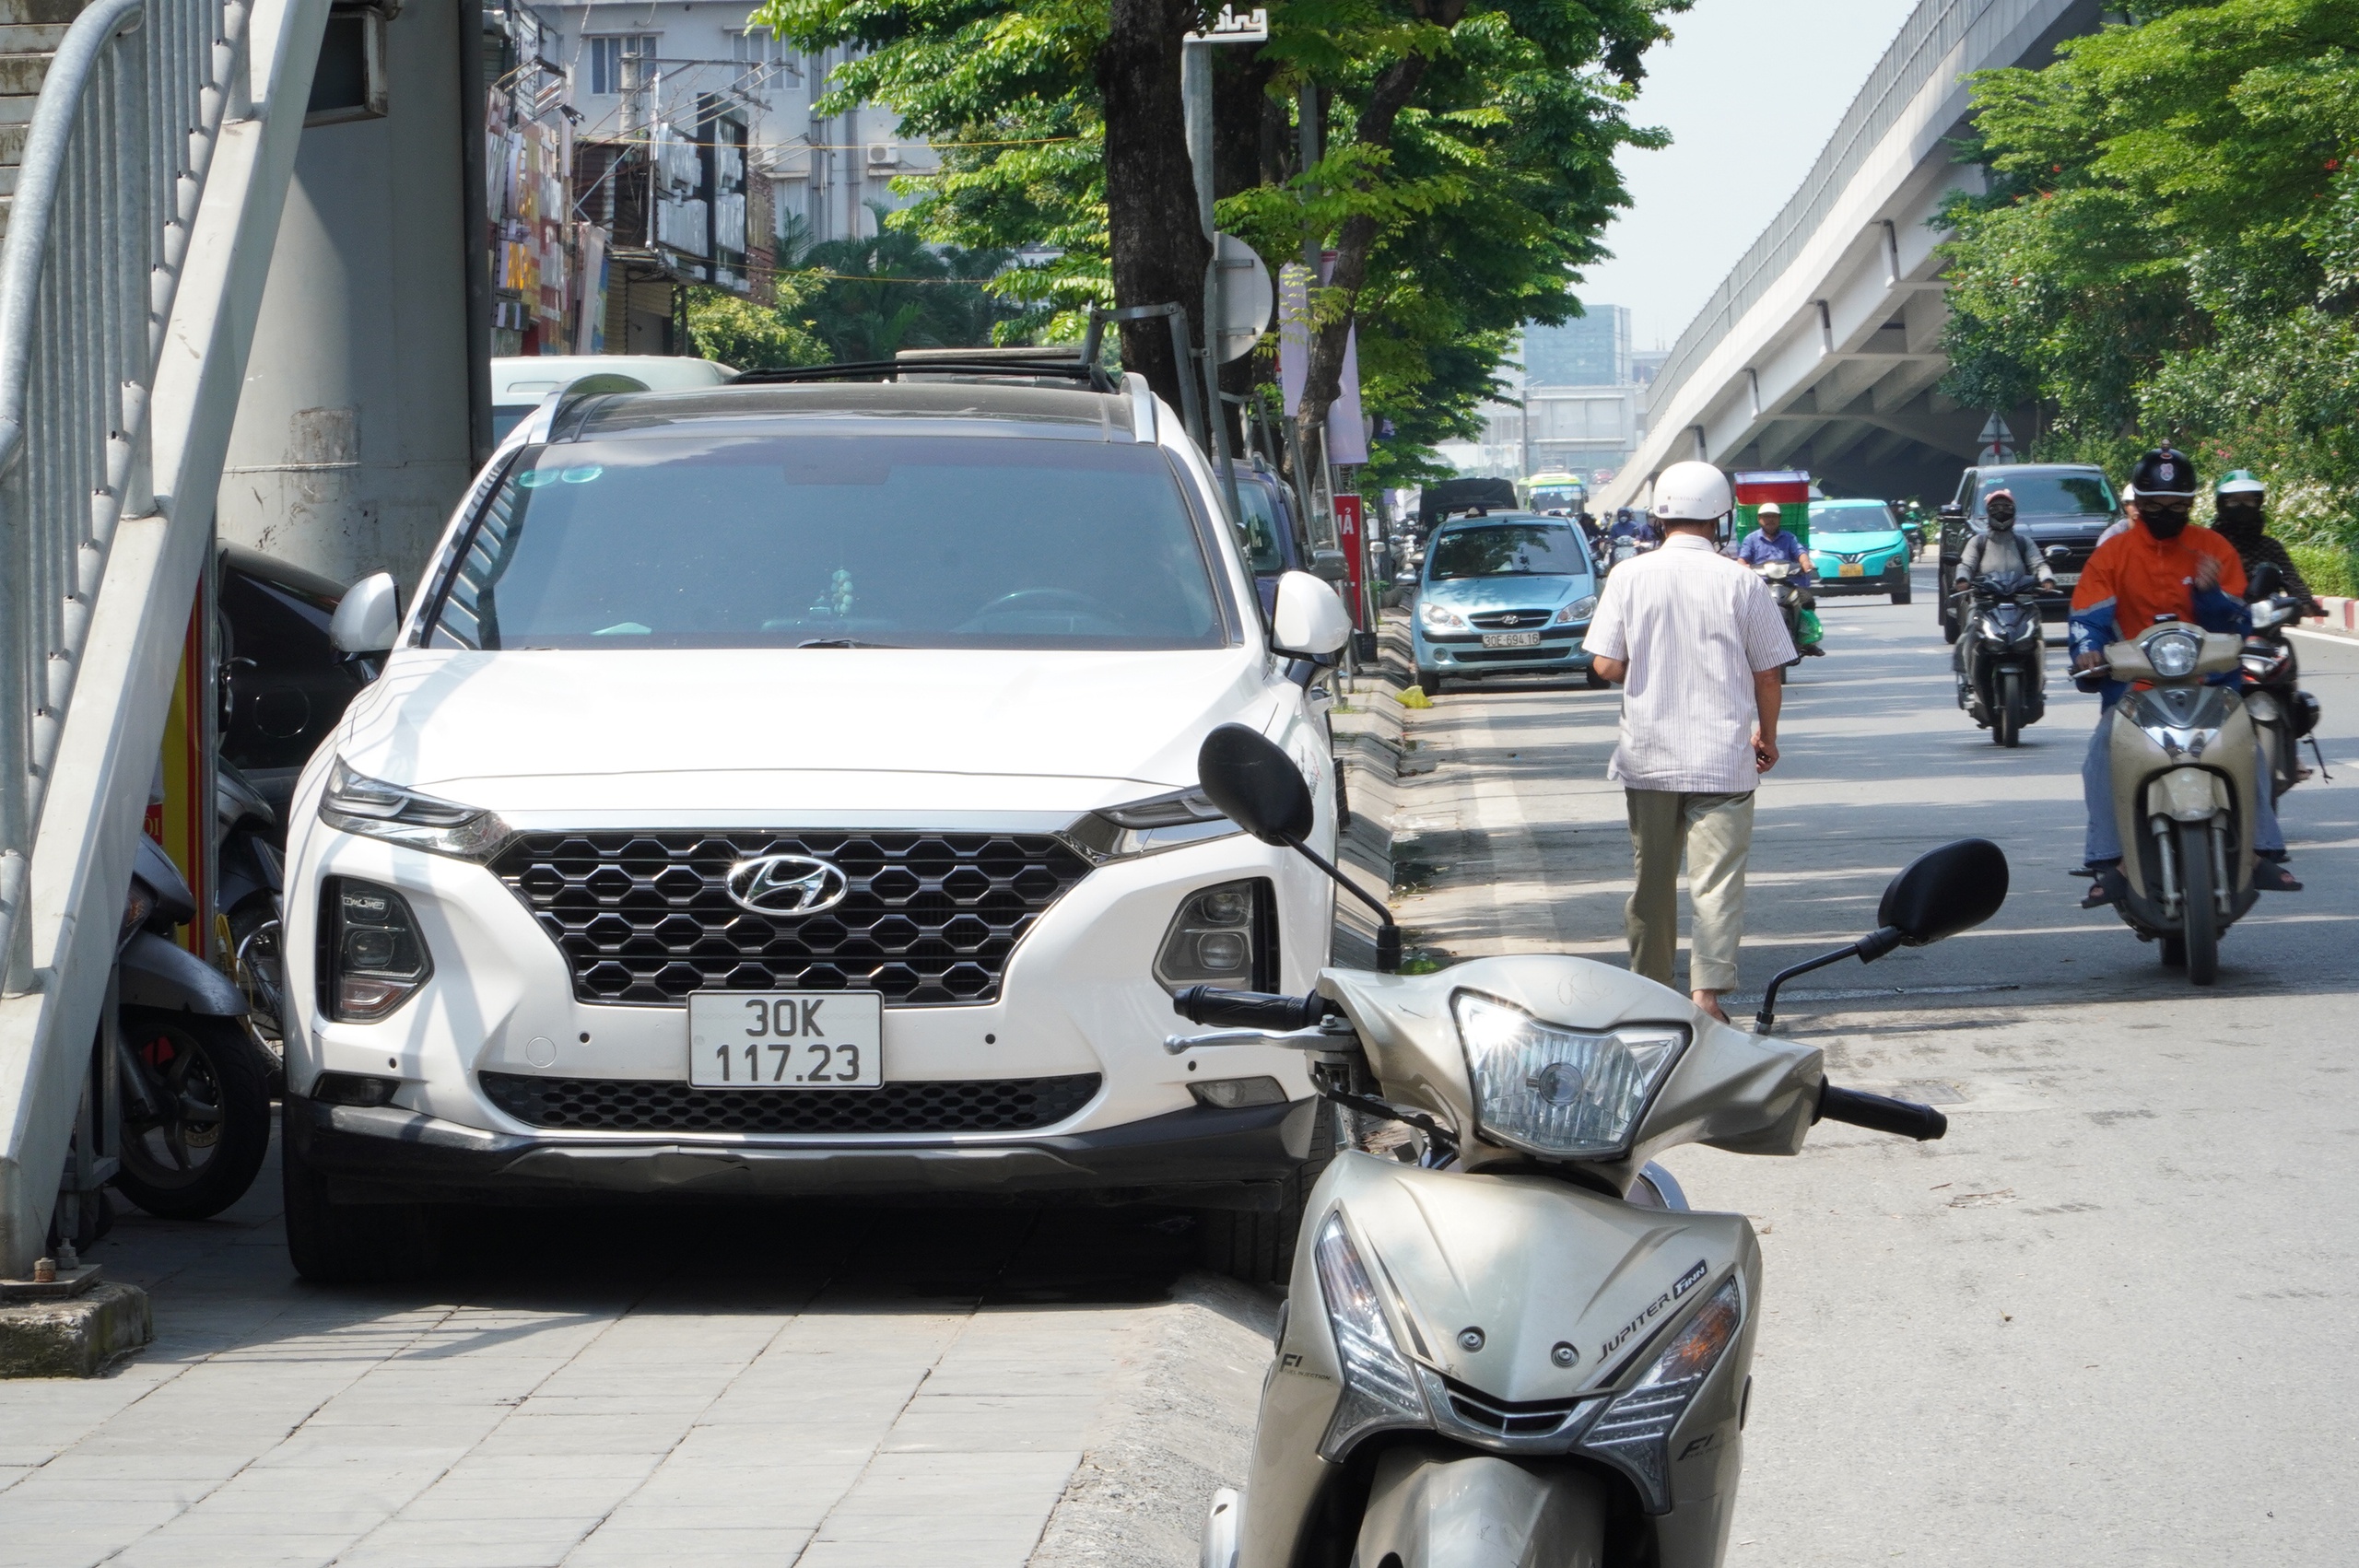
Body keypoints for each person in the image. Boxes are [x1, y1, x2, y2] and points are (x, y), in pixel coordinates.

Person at [1586, 461, 1796, 1023]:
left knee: (1652, 881)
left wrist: (1649, 660)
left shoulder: (1628, 576)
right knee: (1717, 883)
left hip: (1649, 757)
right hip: (1723, 758)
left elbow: (1606, 665)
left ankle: (1652, 995)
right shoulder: (1742, 581)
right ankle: (1707, 997)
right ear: (1720, 517)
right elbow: (1769, 674)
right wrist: (1768, 736)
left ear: (1659, 517)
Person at [2070, 448, 2301, 905]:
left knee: (2249, 748)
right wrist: (2086, 653)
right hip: (2134, 690)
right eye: (2154, 505)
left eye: (2177, 506)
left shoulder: (2214, 550)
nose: (2165, 513)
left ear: (2192, 504)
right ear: (2138, 503)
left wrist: (2209, 594)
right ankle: (2109, 859)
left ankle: (2259, 851)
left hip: (2210, 686)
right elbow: (2087, 618)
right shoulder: (2112, 555)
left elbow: (2239, 622)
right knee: (2100, 753)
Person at [2211, 471, 2323, 613]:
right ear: (2222, 504)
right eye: (2234, 501)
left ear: (2258, 502)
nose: (2242, 506)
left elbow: (2291, 578)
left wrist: (2305, 602)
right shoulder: (2209, 543)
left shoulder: (2270, 546)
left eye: (2248, 499)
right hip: (2214, 617)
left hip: (2262, 618)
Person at [1732, 502, 1823, 655]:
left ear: (1779, 519)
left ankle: (1807, 640)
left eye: (1773, 517)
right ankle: (1745, 641)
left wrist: (1805, 563)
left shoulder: (1789, 537)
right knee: (1742, 606)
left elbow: (1800, 552)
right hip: (1760, 584)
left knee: (1807, 600)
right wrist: (1742, 566)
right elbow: (1742, 559)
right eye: (1766, 517)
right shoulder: (1751, 539)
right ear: (1759, 519)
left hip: (1787, 583)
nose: (1770, 520)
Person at [1951, 488, 2056, 591]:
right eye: (1995, 508)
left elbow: (2038, 565)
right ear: (1988, 512)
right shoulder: (1978, 542)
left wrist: (2046, 578)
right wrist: (1962, 579)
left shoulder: (2024, 542)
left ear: (2013, 512)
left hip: (2020, 598)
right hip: (1984, 598)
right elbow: (1966, 565)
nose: (2001, 511)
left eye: (2006, 507)